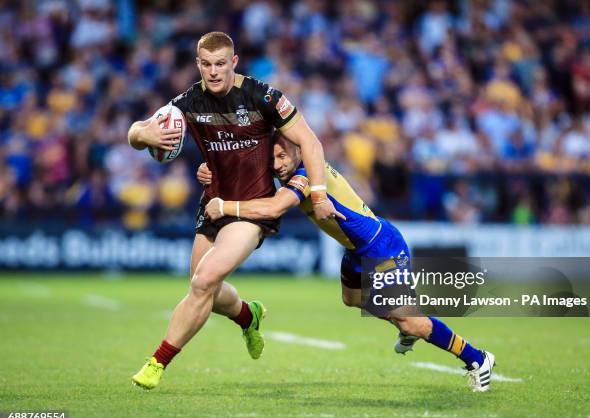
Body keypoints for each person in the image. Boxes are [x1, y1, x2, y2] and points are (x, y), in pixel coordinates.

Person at [127, 32, 340, 390]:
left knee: (205, 282)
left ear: (234, 62)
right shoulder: (189, 101)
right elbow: (136, 130)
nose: (213, 72)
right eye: (206, 64)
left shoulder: (263, 96)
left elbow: (311, 142)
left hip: (253, 208)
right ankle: (248, 315)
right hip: (212, 205)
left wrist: (318, 194)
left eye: (220, 64)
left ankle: (157, 362)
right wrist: (143, 137)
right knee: (203, 288)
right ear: (198, 64)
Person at [200, 134, 496, 392]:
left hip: (381, 246)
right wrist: (210, 171)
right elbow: (242, 168)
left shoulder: (304, 174)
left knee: (413, 321)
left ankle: (477, 358)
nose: (277, 164)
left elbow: (276, 206)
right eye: (272, 158)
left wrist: (225, 206)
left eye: (282, 156)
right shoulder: (288, 170)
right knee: (351, 299)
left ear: (299, 151)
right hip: (356, 250)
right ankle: (403, 324)